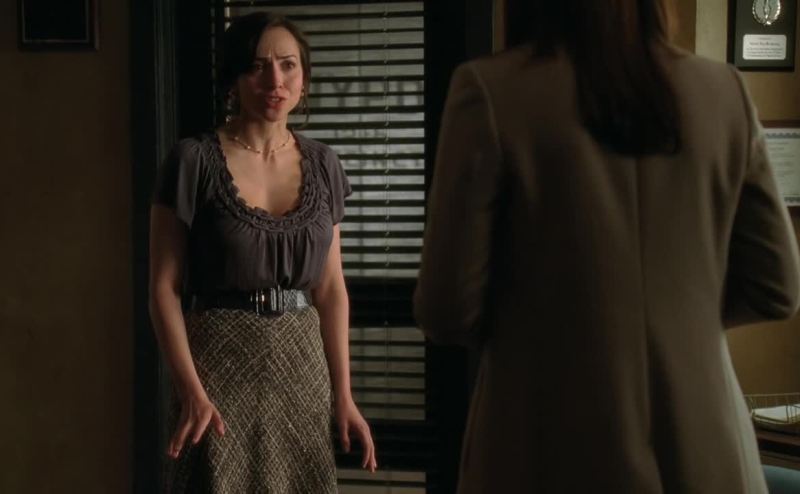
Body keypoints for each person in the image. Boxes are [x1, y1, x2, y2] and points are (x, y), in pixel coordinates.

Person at [413, 1, 800, 492]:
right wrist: (679, 319)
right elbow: (777, 288)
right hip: (706, 445)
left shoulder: (491, 92)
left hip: (543, 444)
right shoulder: (724, 91)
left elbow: (446, 309)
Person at [149, 12, 377, 492]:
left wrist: (344, 394)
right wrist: (190, 391)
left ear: (304, 78)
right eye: (257, 66)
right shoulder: (192, 160)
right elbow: (163, 289)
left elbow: (330, 289)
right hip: (215, 368)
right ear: (233, 80)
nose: (275, 80)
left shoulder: (324, 164)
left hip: (301, 368)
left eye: (288, 65)